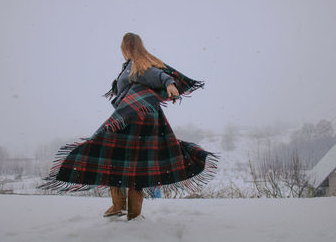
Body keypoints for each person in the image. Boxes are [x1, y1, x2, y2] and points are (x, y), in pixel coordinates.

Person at [37, 32, 219, 221]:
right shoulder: (134, 64)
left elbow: (157, 75)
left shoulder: (138, 65)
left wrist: (169, 84)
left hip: (135, 119)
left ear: (126, 47)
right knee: (127, 162)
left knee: (120, 160)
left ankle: (128, 212)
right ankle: (122, 208)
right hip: (136, 117)